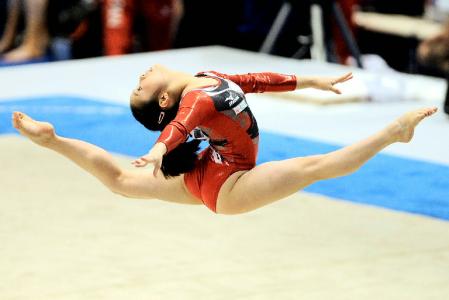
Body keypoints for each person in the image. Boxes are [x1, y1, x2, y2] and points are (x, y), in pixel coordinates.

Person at [12, 65, 437, 214]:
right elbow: (179, 127)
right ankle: (394, 132)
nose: (139, 77)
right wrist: (159, 150)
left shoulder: (207, 78)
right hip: (228, 184)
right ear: (164, 97)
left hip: (207, 168)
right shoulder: (195, 99)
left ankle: (52, 140)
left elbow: (255, 81)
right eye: (139, 87)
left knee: (122, 183)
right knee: (316, 166)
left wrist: (311, 81)